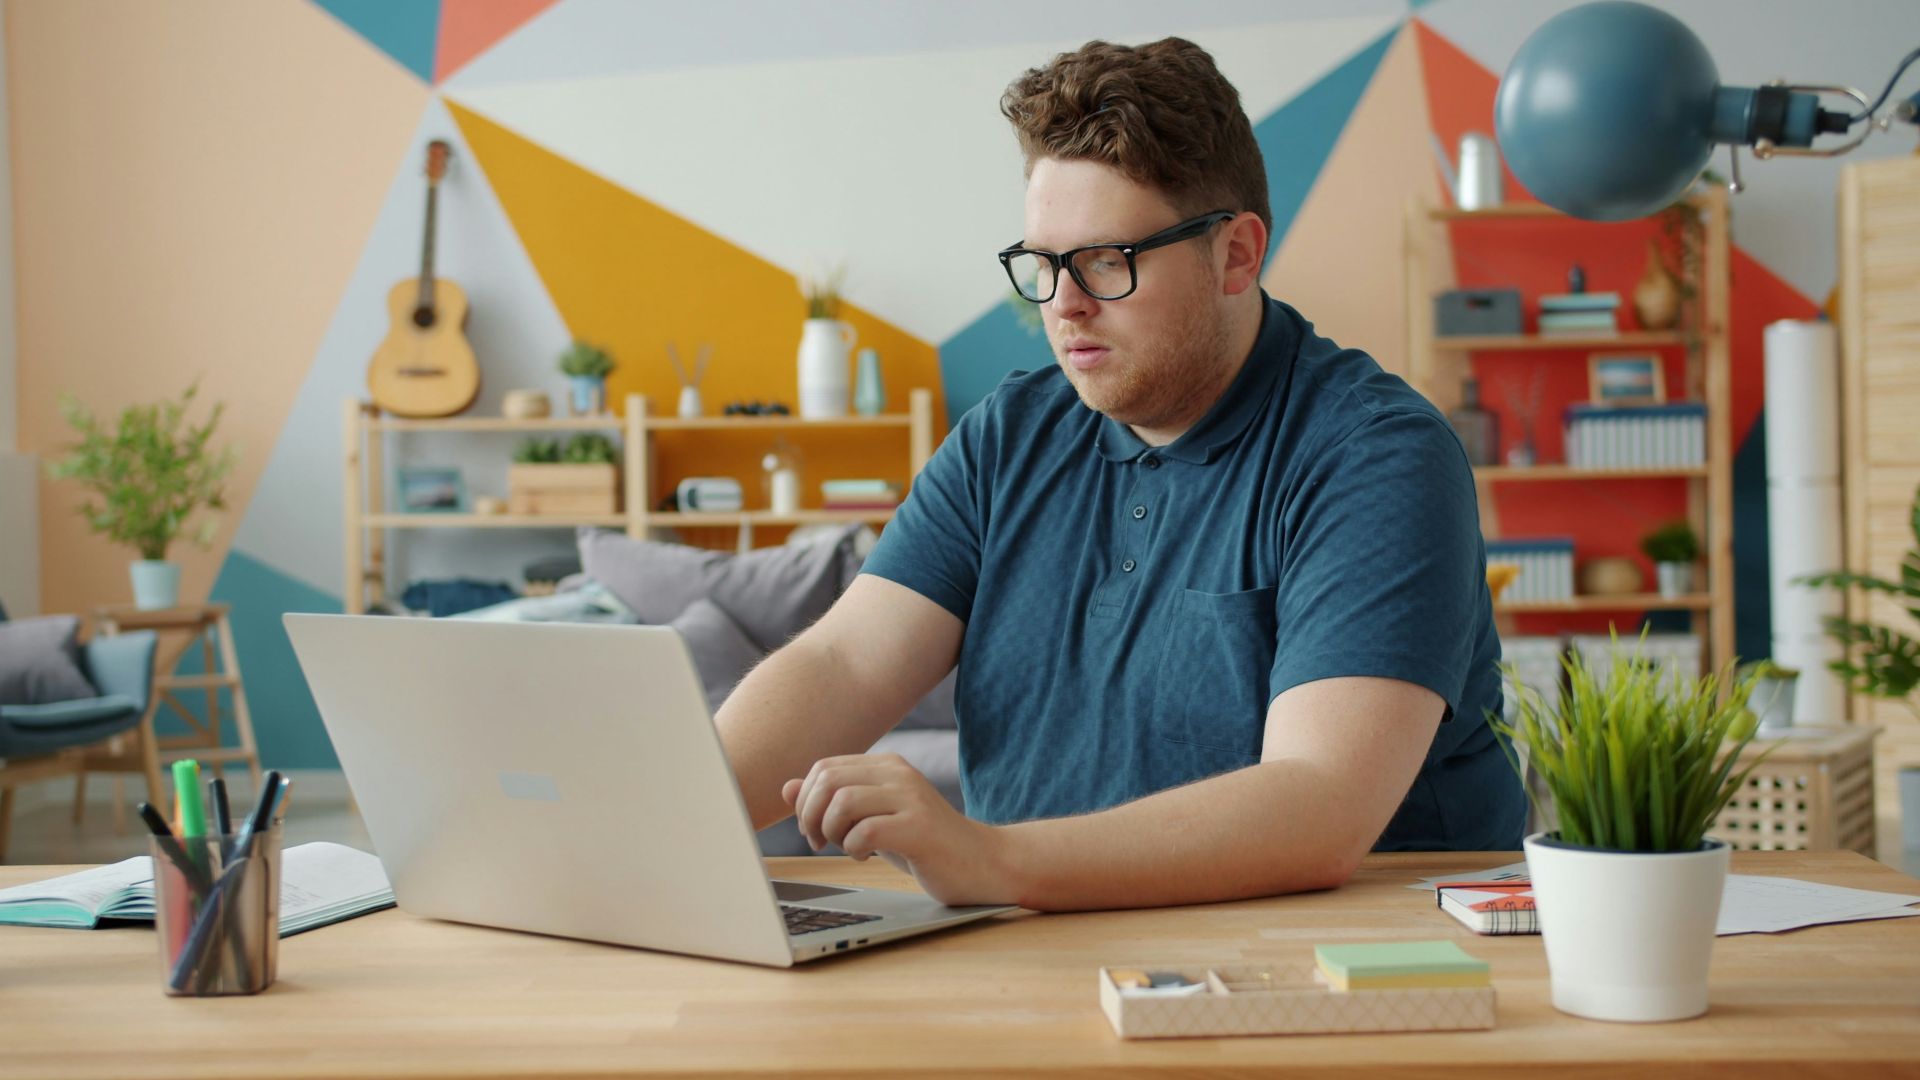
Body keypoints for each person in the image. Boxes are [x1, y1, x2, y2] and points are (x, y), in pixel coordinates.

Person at [715, 36, 1523, 911]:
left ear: (1237, 256)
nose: (1063, 305)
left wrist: (991, 860)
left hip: (1341, 972)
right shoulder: (1006, 438)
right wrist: (679, 811)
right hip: (1043, 949)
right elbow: (843, 661)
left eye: (1106, 260)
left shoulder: (1376, 455)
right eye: (1044, 264)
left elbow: (1320, 802)